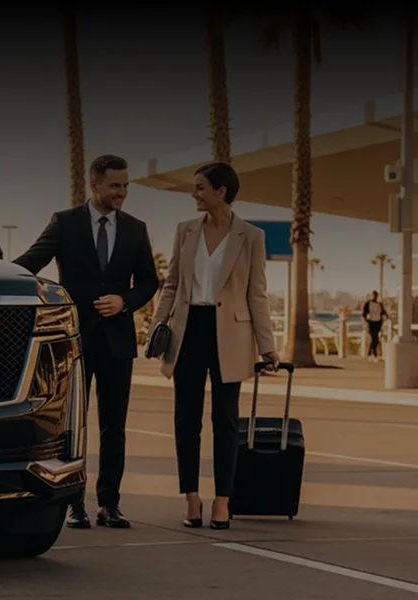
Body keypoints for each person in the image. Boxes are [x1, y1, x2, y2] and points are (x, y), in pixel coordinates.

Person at [12, 154, 159, 529]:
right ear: (95, 185)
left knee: (114, 427)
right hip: (72, 342)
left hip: (117, 343)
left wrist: (124, 301)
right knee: (71, 427)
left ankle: (110, 505)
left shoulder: (136, 229)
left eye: (125, 186)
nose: (121, 193)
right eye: (115, 186)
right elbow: (32, 261)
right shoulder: (65, 223)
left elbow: (148, 282)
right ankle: (74, 503)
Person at [151, 162, 278, 531]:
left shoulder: (251, 237)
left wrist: (268, 347)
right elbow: (172, 283)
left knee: (225, 421)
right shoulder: (185, 231)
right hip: (187, 331)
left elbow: (257, 294)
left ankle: (223, 499)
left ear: (221, 191)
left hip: (231, 335)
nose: (194, 194)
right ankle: (191, 496)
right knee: (186, 419)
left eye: (200, 188)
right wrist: (159, 324)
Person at [361, 291, 389, 362]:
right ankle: (373, 354)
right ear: (371, 296)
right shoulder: (368, 304)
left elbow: (383, 312)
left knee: (375, 338)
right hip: (371, 322)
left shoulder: (379, 304)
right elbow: (364, 313)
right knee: (375, 338)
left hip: (378, 323)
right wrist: (366, 321)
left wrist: (388, 318)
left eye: (376, 295)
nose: (375, 297)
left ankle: (371, 354)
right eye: (373, 295)